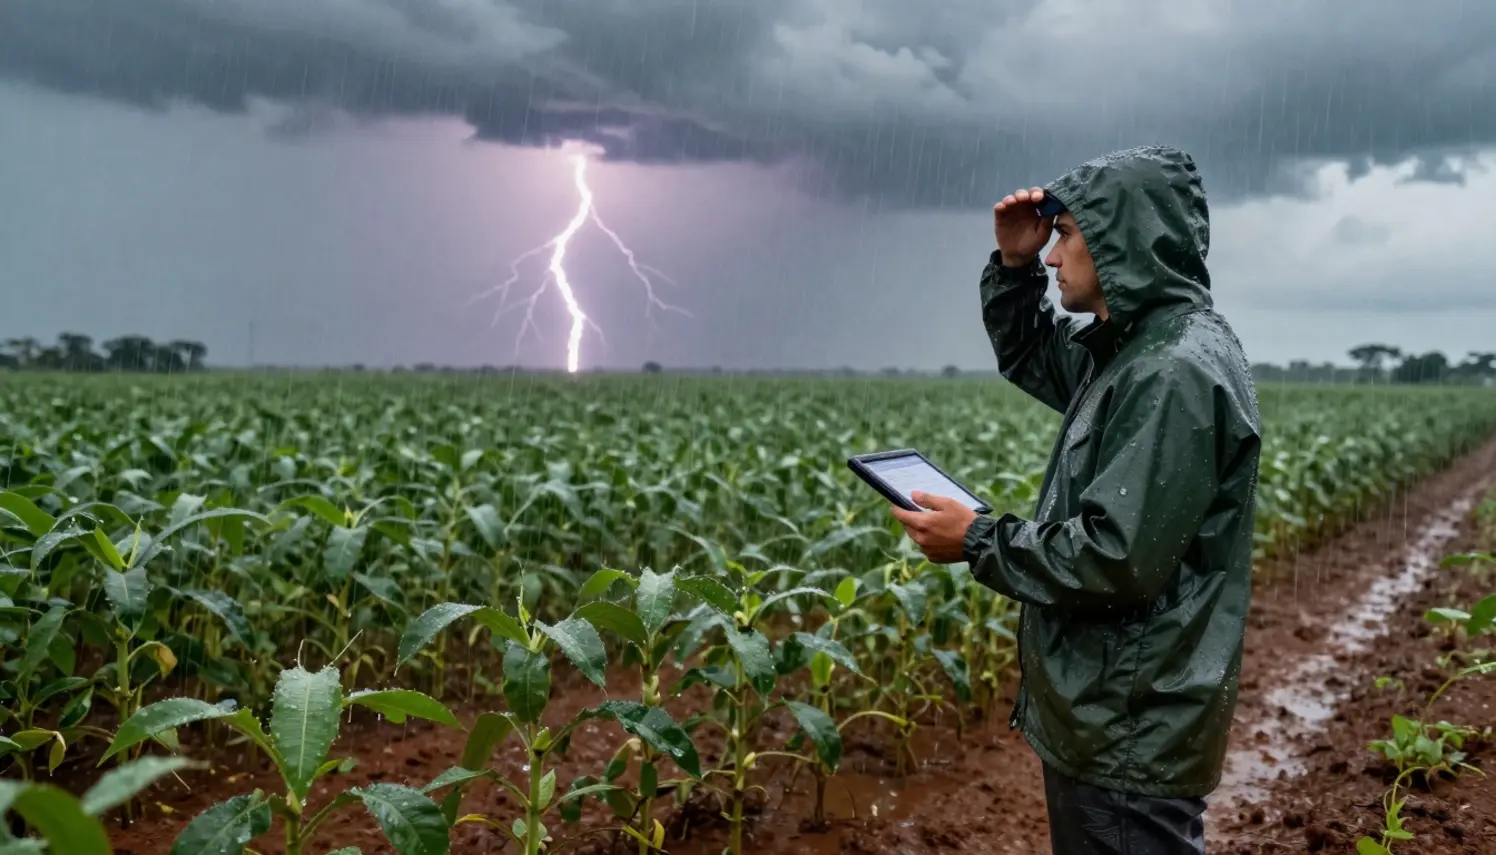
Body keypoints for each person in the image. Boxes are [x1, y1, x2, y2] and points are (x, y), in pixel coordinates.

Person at [890, 145, 1262, 854]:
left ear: (1123, 240)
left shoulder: (1170, 370)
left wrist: (975, 539)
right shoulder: (1137, 350)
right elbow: (1032, 352)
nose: (1056, 257)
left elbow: (1116, 557)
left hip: (1127, 720)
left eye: (1065, 236)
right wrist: (1014, 266)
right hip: (1120, 711)